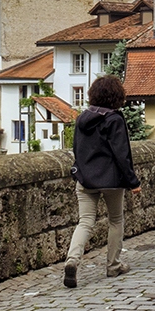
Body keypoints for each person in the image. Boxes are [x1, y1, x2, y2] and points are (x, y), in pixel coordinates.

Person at [65, 76, 141, 288]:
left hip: (85, 179)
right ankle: (113, 265)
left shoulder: (82, 118)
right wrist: (133, 181)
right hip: (111, 180)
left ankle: (72, 260)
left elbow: (77, 149)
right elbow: (122, 154)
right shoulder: (114, 119)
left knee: (85, 221)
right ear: (117, 96)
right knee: (116, 220)